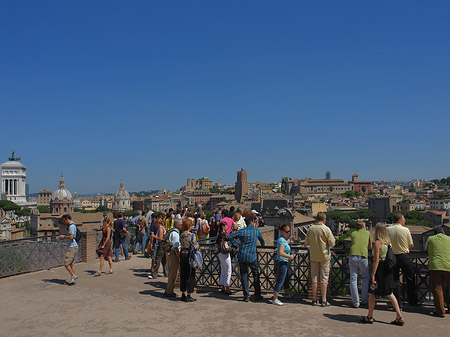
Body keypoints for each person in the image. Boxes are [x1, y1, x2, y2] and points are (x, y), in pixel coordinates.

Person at [362, 223, 404, 325]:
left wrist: (373, 274)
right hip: (387, 269)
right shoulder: (388, 243)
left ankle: (370, 316)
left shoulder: (378, 243)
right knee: (389, 293)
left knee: (372, 292)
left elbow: (376, 260)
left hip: (379, 269)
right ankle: (399, 316)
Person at [229, 214, 265, 302]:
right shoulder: (256, 231)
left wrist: (237, 245)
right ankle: (257, 294)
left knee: (244, 275)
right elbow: (262, 241)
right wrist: (262, 245)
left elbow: (230, 237)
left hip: (242, 255)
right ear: (252, 222)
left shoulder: (242, 231)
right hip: (252, 256)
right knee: (255, 275)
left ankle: (246, 296)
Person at [305, 212, 335, 307]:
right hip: (324, 256)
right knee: (324, 278)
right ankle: (324, 300)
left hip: (313, 256)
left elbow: (307, 243)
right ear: (324, 220)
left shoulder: (311, 229)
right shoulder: (326, 229)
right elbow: (332, 243)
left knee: (314, 278)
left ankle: (314, 299)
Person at [387, 213, 417, 308]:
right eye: (404, 220)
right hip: (403, 255)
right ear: (399, 220)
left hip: (392, 256)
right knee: (410, 277)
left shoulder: (387, 229)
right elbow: (411, 245)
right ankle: (412, 300)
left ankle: (397, 303)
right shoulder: (405, 230)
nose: (405, 221)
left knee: (395, 279)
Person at [426, 225, 450, 317]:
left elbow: (427, 249)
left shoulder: (431, 239)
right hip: (448, 265)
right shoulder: (449, 239)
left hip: (435, 266)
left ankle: (440, 311)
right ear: (444, 232)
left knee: (437, 289)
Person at [349, 221, 372, 308]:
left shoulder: (353, 233)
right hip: (363, 256)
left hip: (353, 256)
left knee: (353, 280)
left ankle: (356, 302)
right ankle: (365, 300)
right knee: (365, 278)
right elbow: (370, 247)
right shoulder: (367, 233)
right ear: (363, 227)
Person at [272, 224, 294, 306]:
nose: (288, 233)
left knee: (285, 279)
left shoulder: (283, 240)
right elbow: (281, 253)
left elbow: (284, 244)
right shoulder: (281, 240)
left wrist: (289, 240)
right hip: (282, 262)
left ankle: (287, 293)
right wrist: (290, 256)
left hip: (283, 262)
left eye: (289, 231)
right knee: (280, 281)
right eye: (287, 231)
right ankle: (275, 298)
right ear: (282, 231)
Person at [179, 218, 200, 302]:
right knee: (190, 274)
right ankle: (189, 294)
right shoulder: (192, 235)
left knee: (183, 274)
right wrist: (197, 245)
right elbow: (195, 246)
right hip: (189, 255)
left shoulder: (181, 235)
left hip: (182, 254)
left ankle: (183, 293)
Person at [58, 214, 79, 285]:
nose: (64, 222)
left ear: (67, 219)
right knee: (72, 264)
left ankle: (73, 275)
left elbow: (71, 237)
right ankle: (73, 279)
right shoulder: (73, 225)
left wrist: (63, 236)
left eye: (64, 220)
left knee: (66, 263)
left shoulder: (71, 227)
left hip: (72, 247)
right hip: (73, 246)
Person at [164, 218, 182, 297]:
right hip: (173, 254)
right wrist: (179, 257)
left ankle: (169, 289)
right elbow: (175, 247)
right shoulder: (175, 233)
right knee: (173, 273)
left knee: (172, 272)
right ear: (179, 226)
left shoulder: (172, 231)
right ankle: (169, 291)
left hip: (170, 253)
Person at [215, 221, 232, 295]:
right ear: (224, 227)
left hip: (220, 253)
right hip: (225, 254)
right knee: (228, 271)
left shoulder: (219, 235)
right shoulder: (226, 235)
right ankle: (227, 287)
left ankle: (222, 286)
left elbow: (216, 245)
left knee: (223, 270)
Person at [148, 215, 166, 279]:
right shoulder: (163, 228)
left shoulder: (161, 229)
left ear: (158, 223)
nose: (155, 224)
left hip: (160, 245)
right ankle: (166, 273)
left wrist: (154, 236)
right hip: (163, 246)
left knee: (157, 260)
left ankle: (154, 274)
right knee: (164, 261)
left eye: (156, 223)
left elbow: (160, 238)